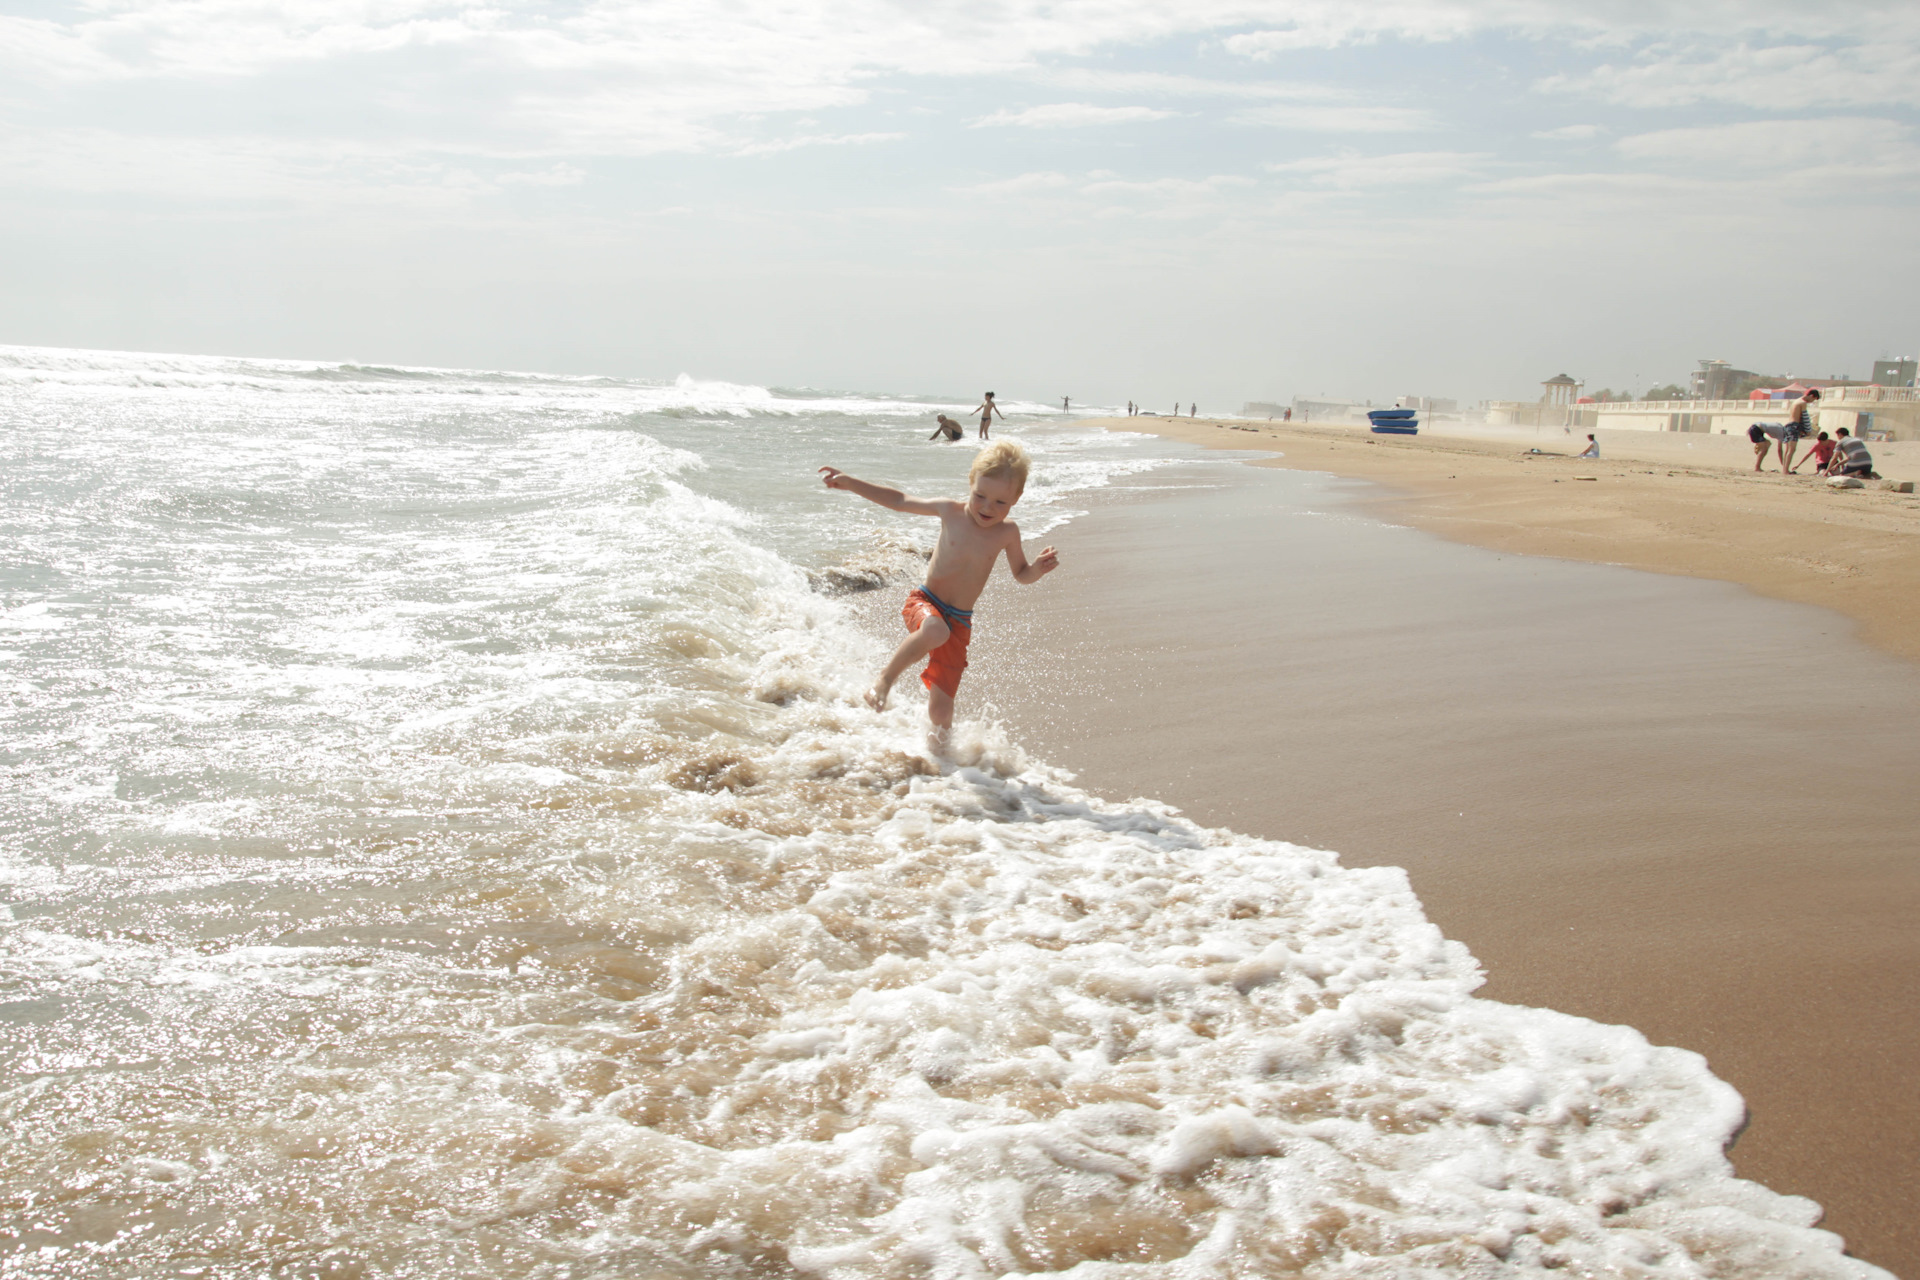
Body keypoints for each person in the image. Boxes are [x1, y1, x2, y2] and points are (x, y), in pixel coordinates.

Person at [818, 442, 1059, 748]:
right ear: (970, 483)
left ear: (1016, 499)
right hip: (925, 603)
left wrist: (1037, 568)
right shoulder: (950, 511)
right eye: (980, 496)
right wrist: (851, 483)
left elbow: (1021, 574)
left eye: (1000, 502)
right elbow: (900, 500)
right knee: (934, 629)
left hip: (959, 623)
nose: (987, 508)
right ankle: (885, 680)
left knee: (941, 711)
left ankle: (941, 762)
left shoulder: (1007, 533)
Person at [1777, 388, 1820, 473]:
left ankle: (1784, 469)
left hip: (1788, 425)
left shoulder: (1796, 401)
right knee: (1792, 449)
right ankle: (1785, 470)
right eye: (1813, 399)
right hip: (1794, 426)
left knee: (1788, 449)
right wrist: (1808, 430)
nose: (1812, 401)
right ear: (1811, 396)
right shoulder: (1802, 403)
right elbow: (1805, 417)